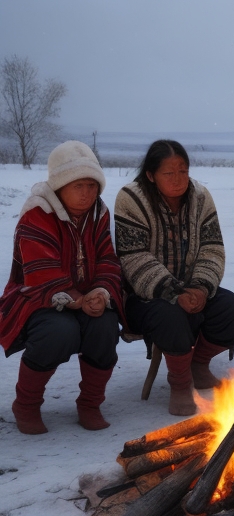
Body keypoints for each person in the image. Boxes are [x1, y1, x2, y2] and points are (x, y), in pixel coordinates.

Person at [114, 140, 234, 416]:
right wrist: (174, 292)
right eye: (168, 173)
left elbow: (212, 248)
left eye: (183, 171)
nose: (178, 180)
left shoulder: (200, 197)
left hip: (194, 287)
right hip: (145, 296)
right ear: (150, 175)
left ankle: (198, 365)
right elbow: (134, 257)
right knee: (170, 316)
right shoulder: (131, 199)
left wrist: (200, 288)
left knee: (233, 311)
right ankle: (180, 384)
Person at [1, 141, 123, 434]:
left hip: (87, 297)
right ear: (59, 186)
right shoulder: (37, 215)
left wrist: (101, 293)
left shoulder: (98, 214)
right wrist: (78, 299)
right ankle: (26, 405)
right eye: (78, 185)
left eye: (92, 185)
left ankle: (90, 404)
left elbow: (108, 258)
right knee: (58, 332)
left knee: (105, 326)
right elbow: (40, 273)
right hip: (36, 299)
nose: (87, 193)